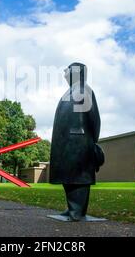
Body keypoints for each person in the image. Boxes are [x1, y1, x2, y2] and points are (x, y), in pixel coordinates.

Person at [49, 62, 102, 221]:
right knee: (68, 175)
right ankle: (72, 208)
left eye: (68, 71)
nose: (65, 74)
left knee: (79, 177)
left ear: (76, 72)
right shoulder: (70, 92)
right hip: (65, 141)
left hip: (80, 140)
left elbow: (94, 119)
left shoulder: (85, 90)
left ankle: (77, 211)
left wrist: (92, 141)